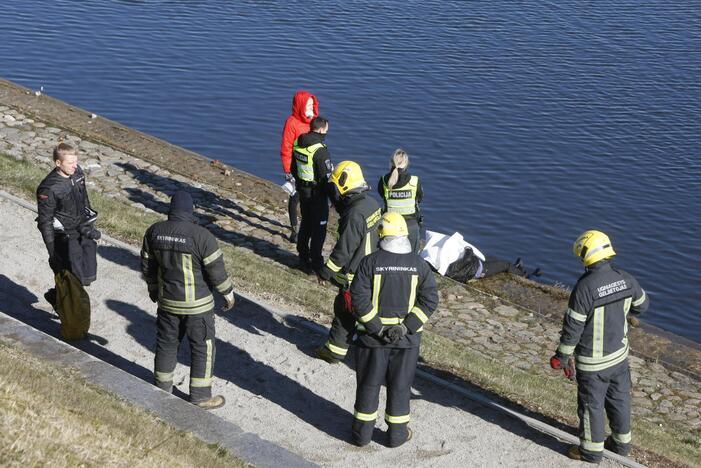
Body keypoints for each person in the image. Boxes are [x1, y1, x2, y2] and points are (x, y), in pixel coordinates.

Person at [550, 230, 649, 463]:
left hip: (592, 364)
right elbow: (642, 306)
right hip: (619, 358)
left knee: (591, 406)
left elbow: (572, 329)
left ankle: (591, 452)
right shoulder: (626, 278)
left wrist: (561, 357)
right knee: (620, 400)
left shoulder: (584, 288)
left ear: (586, 255)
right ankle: (621, 446)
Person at [349, 212, 439, 447]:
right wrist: (405, 327)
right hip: (406, 342)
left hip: (372, 340)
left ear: (381, 234)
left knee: (368, 385)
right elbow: (429, 301)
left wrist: (377, 327)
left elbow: (358, 298)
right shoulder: (420, 265)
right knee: (400, 387)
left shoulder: (370, 262)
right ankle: (397, 436)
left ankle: (361, 435)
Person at [140, 191, 236, 410]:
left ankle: (161, 388)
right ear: (191, 210)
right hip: (198, 307)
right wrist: (228, 294)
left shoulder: (154, 232)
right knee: (203, 347)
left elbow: (148, 267)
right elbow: (216, 272)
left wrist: (154, 291)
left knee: (166, 344)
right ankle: (200, 396)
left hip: (167, 304)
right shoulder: (202, 236)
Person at [314, 161, 382, 364]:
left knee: (344, 310)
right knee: (366, 312)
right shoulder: (371, 204)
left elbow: (344, 250)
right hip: (374, 269)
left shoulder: (353, 214)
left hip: (356, 274)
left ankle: (334, 352)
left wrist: (325, 272)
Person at [37, 142, 100, 307]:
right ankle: (61, 302)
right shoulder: (48, 188)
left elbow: (84, 198)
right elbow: (45, 222)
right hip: (64, 236)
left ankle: (59, 296)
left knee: (88, 273)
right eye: (70, 163)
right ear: (58, 163)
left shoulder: (78, 174)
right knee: (72, 274)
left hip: (82, 228)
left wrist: (90, 222)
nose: (75, 166)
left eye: (76, 162)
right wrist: (52, 252)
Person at [291, 116, 334, 271]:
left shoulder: (298, 143)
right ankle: (316, 263)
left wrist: (301, 183)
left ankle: (303, 256)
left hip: (303, 191)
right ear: (321, 129)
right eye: (326, 131)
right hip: (317, 195)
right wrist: (334, 200)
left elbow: (293, 169)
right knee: (319, 229)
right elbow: (326, 178)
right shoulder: (320, 151)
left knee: (306, 224)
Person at [420, 230, 537, 282]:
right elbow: (467, 258)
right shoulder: (452, 267)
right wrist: (468, 251)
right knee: (504, 265)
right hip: (478, 270)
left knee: (494, 261)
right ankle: (523, 275)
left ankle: (516, 268)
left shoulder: (438, 265)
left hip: (476, 267)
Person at [280, 90, 319, 243]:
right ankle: (294, 229)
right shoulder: (291, 123)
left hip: (312, 168)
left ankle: (308, 226)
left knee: (311, 198)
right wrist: (287, 170)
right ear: (301, 105)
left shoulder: (314, 121)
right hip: (296, 167)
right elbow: (286, 147)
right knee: (295, 197)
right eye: (308, 104)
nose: (311, 107)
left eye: (312, 104)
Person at [378, 149, 423, 253]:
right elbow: (419, 199)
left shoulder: (384, 181)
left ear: (391, 163)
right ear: (406, 164)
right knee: (412, 259)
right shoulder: (415, 181)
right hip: (411, 226)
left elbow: (382, 196)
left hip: (389, 226)